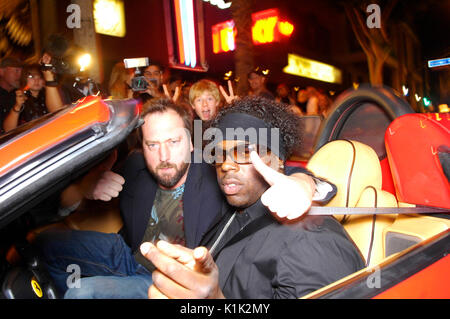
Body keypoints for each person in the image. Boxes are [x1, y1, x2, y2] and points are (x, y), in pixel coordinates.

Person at [35, 97, 334, 299]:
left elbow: (273, 166)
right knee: (44, 243)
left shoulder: (215, 169)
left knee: (81, 293)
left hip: (169, 278)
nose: (163, 156)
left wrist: (304, 184)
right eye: (153, 145)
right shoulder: (135, 166)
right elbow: (58, 205)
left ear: (192, 141)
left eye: (174, 142)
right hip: (128, 253)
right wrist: (84, 188)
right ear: (142, 146)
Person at [141, 96, 365, 299]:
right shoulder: (235, 210)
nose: (226, 164)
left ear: (278, 161)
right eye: (220, 154)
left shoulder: (312, 242)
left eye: (245, 152)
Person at [0, 57, 23, 133]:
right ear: (2, 71)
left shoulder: (22, 94)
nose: (19, 75)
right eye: (16, 71)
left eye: (21, 71)